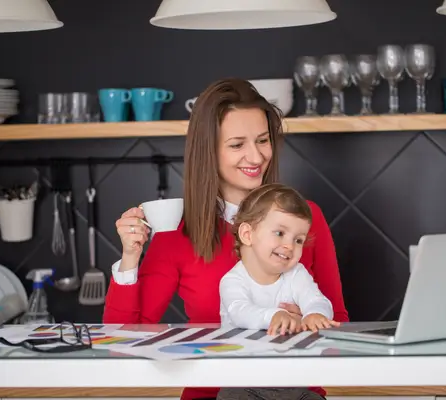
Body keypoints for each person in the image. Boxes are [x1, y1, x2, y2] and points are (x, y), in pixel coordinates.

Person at [103, 78, 349, 400]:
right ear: (209, 151)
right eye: (237, 145)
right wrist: (130, 256)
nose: (256, 156)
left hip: (298, 391)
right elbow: (122, 341)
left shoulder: (307, 219)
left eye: (263, 140)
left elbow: (338, 323)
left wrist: (305, 320)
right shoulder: (177, 231)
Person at [220, 183, 340, 336]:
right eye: (279, 233)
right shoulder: (233, 280)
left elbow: (317, 301)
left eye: (298, 240)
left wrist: (314, 314)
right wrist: (275, 315)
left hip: (286, 355)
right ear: (247, 234)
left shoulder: (296, 274)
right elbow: (240, 312)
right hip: (240, 355)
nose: (289, 246)